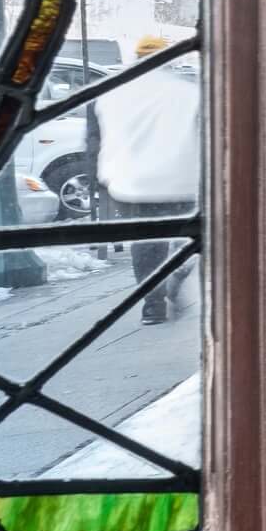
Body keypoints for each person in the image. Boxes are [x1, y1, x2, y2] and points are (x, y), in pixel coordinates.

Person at [90, 32, 199, 324]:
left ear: (136, 59)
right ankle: (178, 272)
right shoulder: (187, 92)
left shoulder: (112, 92)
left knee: (146, 244)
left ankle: (152, 305)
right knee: (193, 237)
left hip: (131, 185)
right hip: (181, 182)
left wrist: (100, 179)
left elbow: (95, 140)